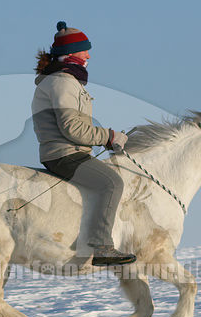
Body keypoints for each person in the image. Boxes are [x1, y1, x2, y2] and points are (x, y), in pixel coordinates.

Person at [31, 21, 137, 266]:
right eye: (84, 50)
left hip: (65, 150)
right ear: (70, 54)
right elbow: (72, 128)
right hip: (64, 153)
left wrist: (106, 139)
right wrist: (108, 137)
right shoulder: (63, 82)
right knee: (112, 183)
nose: (89, 55)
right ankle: (102, 247)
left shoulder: (65, 81)